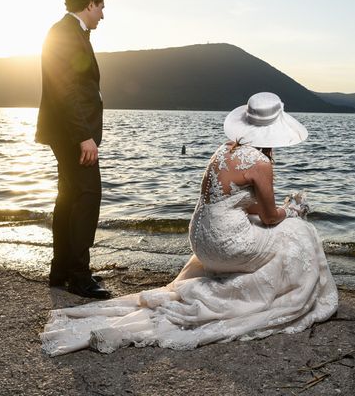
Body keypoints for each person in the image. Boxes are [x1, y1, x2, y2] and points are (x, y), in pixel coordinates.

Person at [40, 92, 338, 356]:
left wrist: (278, 211)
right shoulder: (261, 163)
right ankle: (289, 297)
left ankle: (260, 287)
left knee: (278, 228)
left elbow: (240, 204)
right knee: (299, 231)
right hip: (225, 245)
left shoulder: (225, 149)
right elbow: (271, 217)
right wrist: (293, 210)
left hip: (200, 240)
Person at [35, 0, 112, 299]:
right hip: (72, 132)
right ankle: (79, 276)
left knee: (68, 197)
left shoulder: (67, 32)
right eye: (101, 6)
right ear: (90, 3)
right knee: (87, 196)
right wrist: (83, 136)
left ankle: (61, 270)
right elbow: (66, 89)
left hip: (66, 130)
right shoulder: (65, 34)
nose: (103, 14)